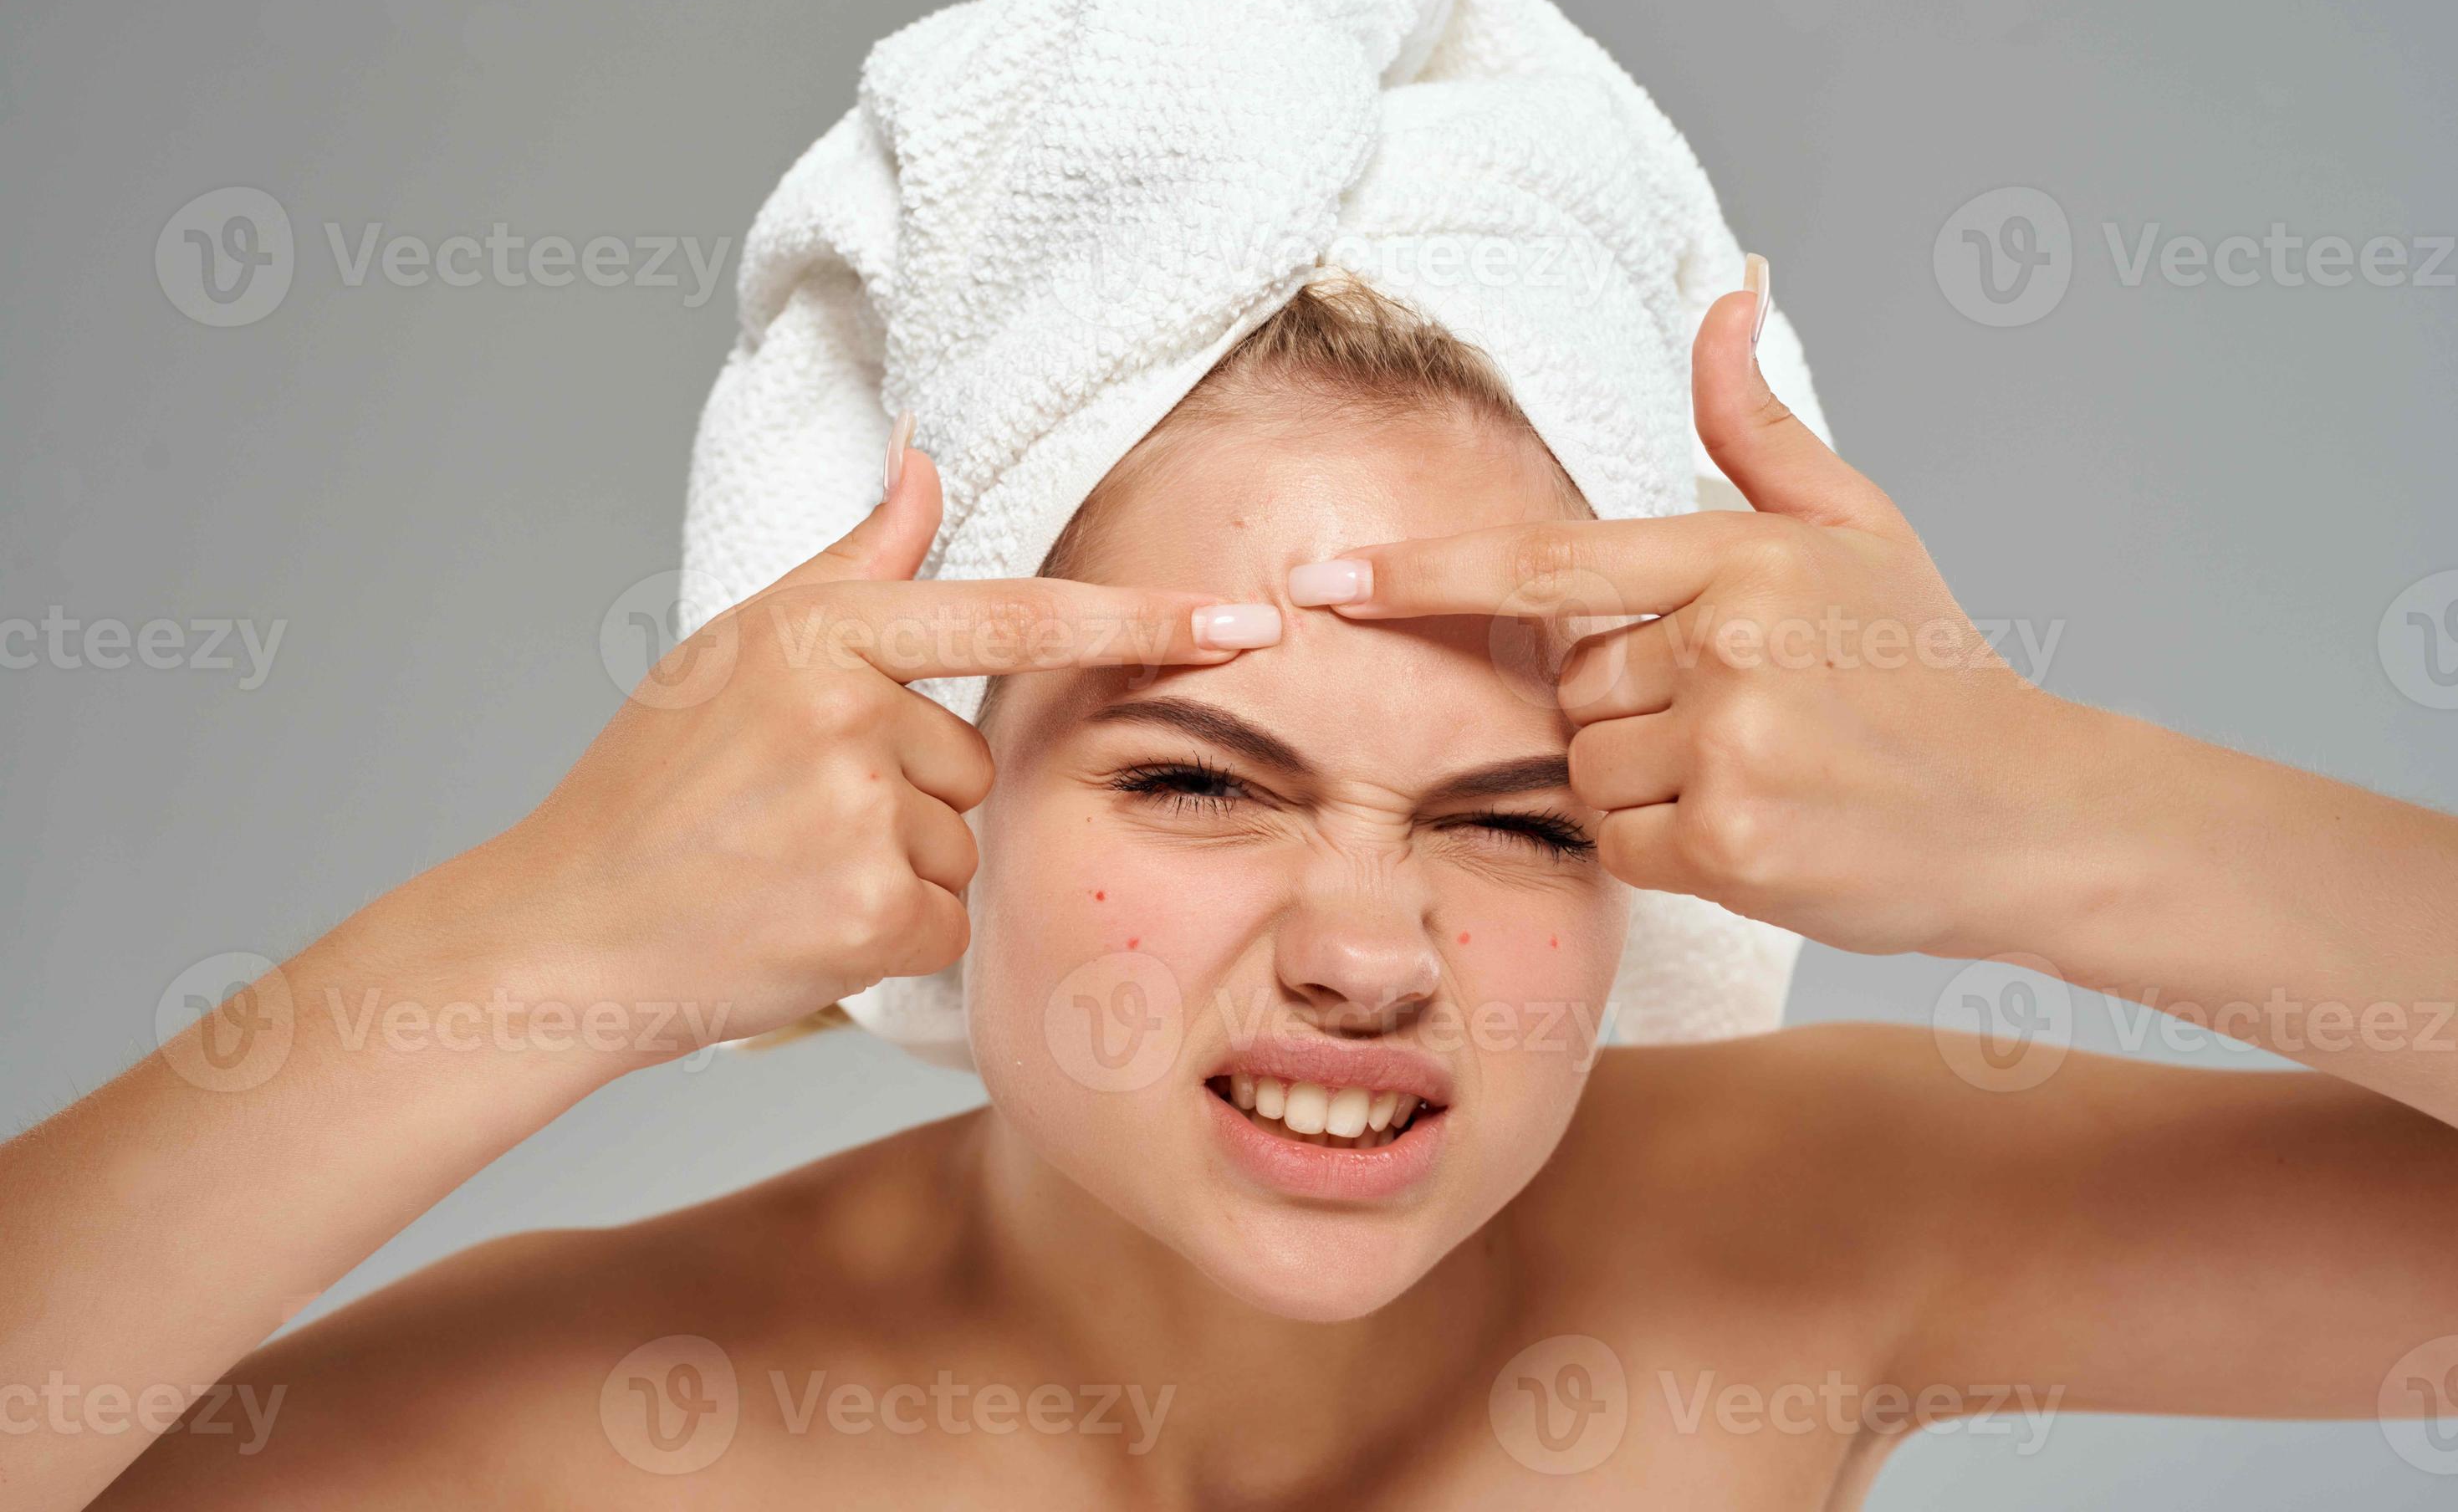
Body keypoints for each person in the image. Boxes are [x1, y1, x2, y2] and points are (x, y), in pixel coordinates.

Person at [14, 269, 2458, 1511]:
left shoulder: (1805, 1226)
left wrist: (2059, 811)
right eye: (1198, 782)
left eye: (1514, 822)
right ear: (935, 800)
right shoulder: (612, 1424)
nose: (1368, 957)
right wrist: (540, 935)